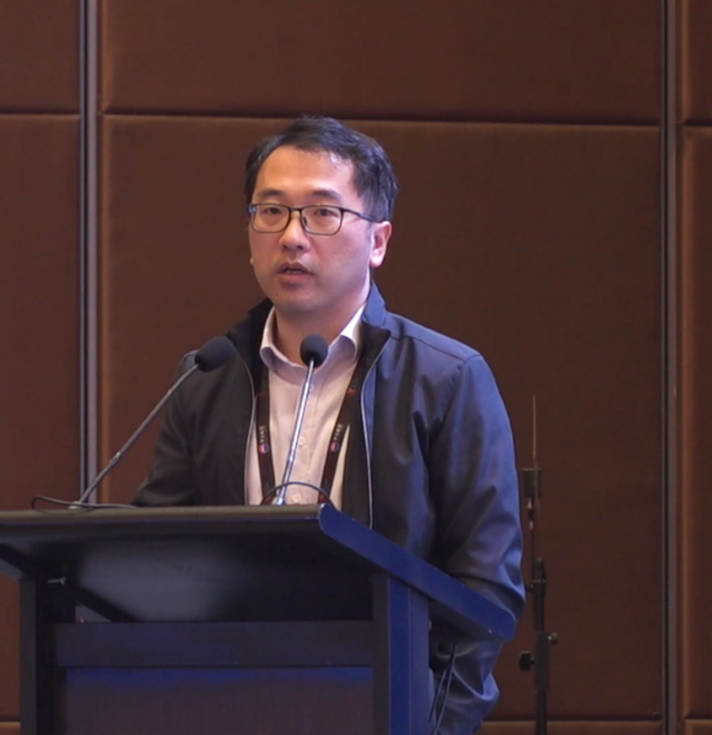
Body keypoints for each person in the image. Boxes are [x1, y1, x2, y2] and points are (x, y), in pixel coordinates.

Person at [134, 116, 524, 734]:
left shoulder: (446, 378)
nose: (292, 237)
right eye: (271, 212)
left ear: (378, 241)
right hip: (228, 707)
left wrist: (433, 725)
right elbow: (155, 558)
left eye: (322, 213)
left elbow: (485, 587)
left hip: (387, 709)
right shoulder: (207, 376)